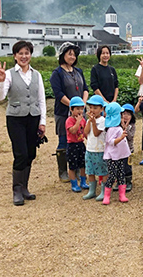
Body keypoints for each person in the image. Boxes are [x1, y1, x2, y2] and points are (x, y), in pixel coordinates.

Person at [0, 41, 47, 206]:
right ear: (15, 56)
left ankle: (24, 188)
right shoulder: (9, 74)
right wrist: (2, 81)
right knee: (21, 153)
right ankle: (16, 190)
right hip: (16, 118)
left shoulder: (36, 75)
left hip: (33, 117)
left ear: (30, 55)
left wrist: (43, 122)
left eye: (27, 53)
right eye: (20, 53)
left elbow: (41, 100)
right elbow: (0, 97)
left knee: (31, 154)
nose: (24, 56)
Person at [50, 42, 88, 183]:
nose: (72, 56)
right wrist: (73, 106)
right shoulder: (57, 73)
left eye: (74, 54)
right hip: (63, 112)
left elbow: (85, 89)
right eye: (69, 53)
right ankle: (63, 171)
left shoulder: (79, 71)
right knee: (64, 140)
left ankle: (77, 168)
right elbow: (58, 94)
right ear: (62, 55)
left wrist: (82, 105)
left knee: (78, 138)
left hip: (79, 111)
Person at [102, 102, 131, 205]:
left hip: (120, 155)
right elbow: (111, 142)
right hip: (112, 156)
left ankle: (122, 194)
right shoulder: (111, 129)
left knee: (121, 174)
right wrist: (121, 138)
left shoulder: (118, 127)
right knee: (112, 175)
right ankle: (106, 196)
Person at [82, 95, 107, 200]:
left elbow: (96, 133)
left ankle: (104, 191)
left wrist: (93, 123)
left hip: (100, 150)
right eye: (91, 107)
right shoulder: (89, 120)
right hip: (90, 149)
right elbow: (85, 132)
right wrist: (89, 121)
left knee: (103, 171)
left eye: (95, 108)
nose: (92, 110)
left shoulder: (102, 120)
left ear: (101, 109)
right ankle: (92, 191)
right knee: (90, 171)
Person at [65, 96, 89, 193]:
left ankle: (83, 181)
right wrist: (78, 121)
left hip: (81, 144)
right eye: (77, 109)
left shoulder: (83, 120)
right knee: (72, 166)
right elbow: (73, 131)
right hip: (72, 145)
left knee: (83, 164)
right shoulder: (69, 120)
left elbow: (85, 132)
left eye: (81, 109)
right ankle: (74, 183)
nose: (80, 111)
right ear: (71, 109)